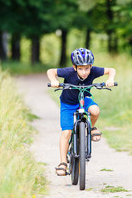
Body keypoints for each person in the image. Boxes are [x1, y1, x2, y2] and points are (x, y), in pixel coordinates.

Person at [47, 48, 116, 176]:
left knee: (95, 110)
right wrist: (54, 80)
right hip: (68, 104)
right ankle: (63, 163)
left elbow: (111, 70)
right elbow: (51, 71)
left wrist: (110, 79)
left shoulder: (94, 71)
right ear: (74, 67)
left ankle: (92, 127)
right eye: (80, 69)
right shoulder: (68, 72)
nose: (84, 72)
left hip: (84, 99)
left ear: (91, 66)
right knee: (66, 132)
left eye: (87, 68)